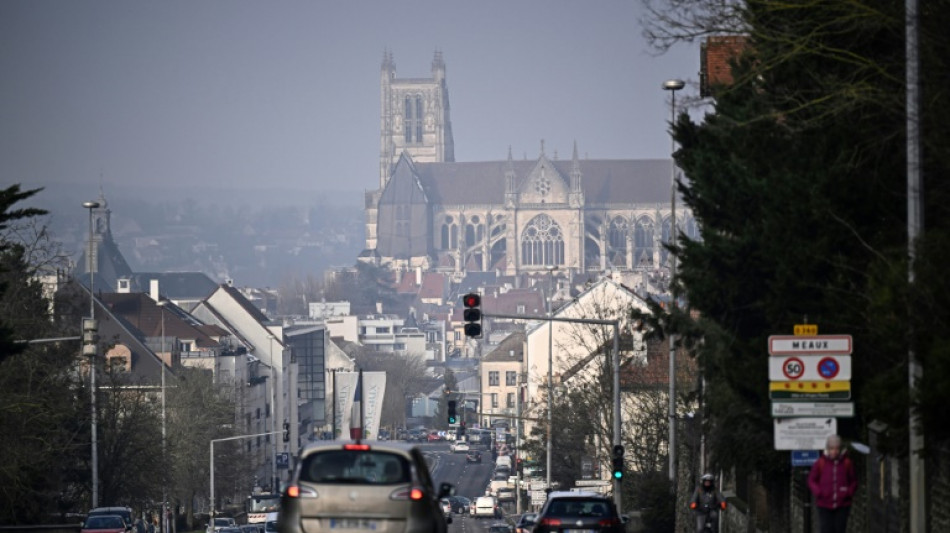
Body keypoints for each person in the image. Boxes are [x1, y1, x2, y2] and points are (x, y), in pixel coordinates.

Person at [808, 434, 857, 533]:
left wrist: (848, 492)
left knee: (840, 530)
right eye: (832, 448)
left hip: (842, 505)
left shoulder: (846, 463)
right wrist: (819, 492)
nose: (834, 451)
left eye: (837, 448)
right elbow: (811, 480)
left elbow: (854, 481)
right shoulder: (820, 463)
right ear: (828, 449)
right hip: (824, 505)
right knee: (826, 530)